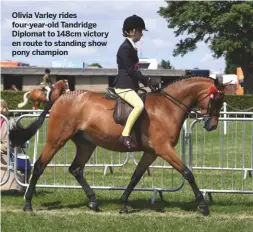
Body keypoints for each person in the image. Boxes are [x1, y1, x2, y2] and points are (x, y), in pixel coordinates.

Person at [113, 15, 160, 149]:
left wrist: (147, 82)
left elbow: (134, 70)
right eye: (140, 30)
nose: (141, 34)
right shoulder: (125, 48)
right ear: (131, 31)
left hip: (130, 85)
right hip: (123, 86)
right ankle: (125, 134)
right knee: (139, 105)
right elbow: (130, 70)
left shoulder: (131, 47)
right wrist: (147, 80)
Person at [0, 99, 25, 192]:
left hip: (7, 157)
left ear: (2, 108)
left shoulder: (10, 123)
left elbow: (9, 145)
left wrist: (1, 147)